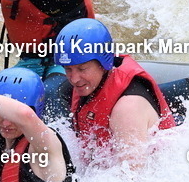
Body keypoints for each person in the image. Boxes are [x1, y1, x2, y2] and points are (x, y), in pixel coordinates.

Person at [54, 18, 176, 167]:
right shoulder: (85, 84)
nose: (73, 79)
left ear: (103, 63)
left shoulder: (127, 109)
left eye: (81, 69)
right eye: (68, 69)